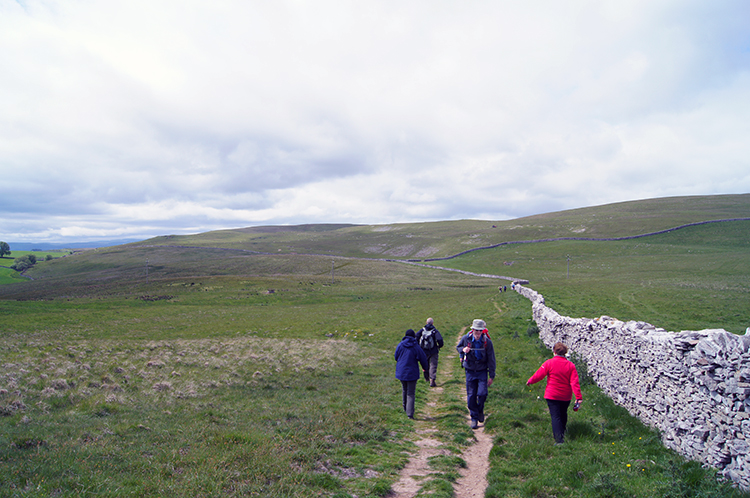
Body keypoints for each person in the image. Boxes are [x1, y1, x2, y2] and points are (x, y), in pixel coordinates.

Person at [526, 342, 583, 445]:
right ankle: (562, 433)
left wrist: (530, 381)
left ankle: (559, 440)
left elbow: (539, 374)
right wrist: (578, 397)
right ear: (565, 353)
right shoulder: (570, 365)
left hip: (552, 395)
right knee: (563, 414)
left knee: (555, 416)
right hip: (565, 396)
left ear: (554, 352)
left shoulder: (549, 363)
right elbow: (574, 382)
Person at [456, 319, 496, 429]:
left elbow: (491, 359)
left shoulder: (487, 342)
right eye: (476, 330)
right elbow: (458, 347)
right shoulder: (466, 339)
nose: (478, 333)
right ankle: (474, 417)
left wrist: (492, 375)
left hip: (482, 371)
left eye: (480, 331)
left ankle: (480, 410)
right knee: (471, 396)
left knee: (482, 394)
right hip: (469, 371)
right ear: (472, 330)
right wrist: (463, 350)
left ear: (483, 331)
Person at [395, 329, 429, 419]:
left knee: (404, 390)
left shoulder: (401, 345)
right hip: (412, 372)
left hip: (401, 372)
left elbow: (396, 356)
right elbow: (423, 358)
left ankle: (405, 408)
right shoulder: (416, 346)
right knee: (411, 393)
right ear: (414, 336)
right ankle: (409, 414)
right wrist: (425, 369)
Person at [416, 317, 444, 387]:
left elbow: (416, 336)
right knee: (433, 365)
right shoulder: (434, 331)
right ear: (432, 323)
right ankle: (432, 380)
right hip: (433, 350)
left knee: (425, 364)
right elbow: (440, 339)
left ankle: (426, 378)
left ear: (426, 322)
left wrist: (418, 346)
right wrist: (439, 346)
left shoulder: (422, 330)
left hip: (423, 350)